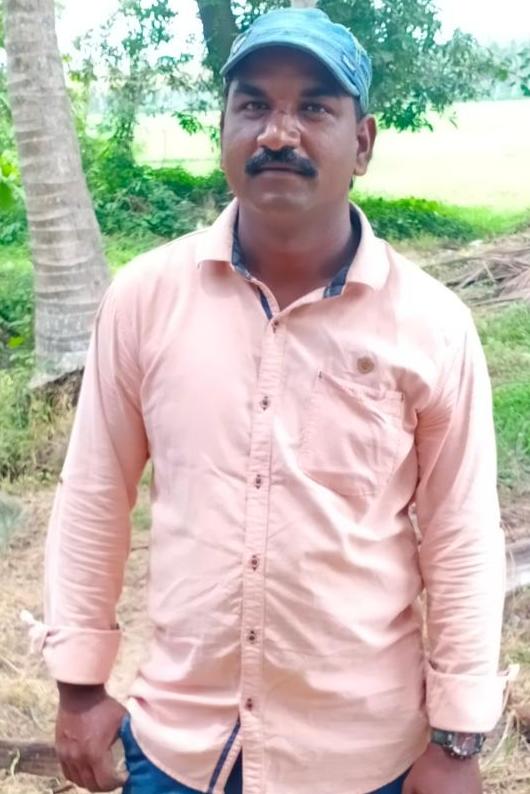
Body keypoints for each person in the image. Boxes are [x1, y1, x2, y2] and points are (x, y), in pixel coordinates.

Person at [38, 8, 509, 794]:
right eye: (253, 104)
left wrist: (458, 740)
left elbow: (461, 534)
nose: (279, 133)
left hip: (363, 757)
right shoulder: (145, 299)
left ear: (363, 143)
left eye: (314, 108)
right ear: (223, 129)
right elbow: (93, 494)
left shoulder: (432, 326)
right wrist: (79, 687)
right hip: (180, 748)